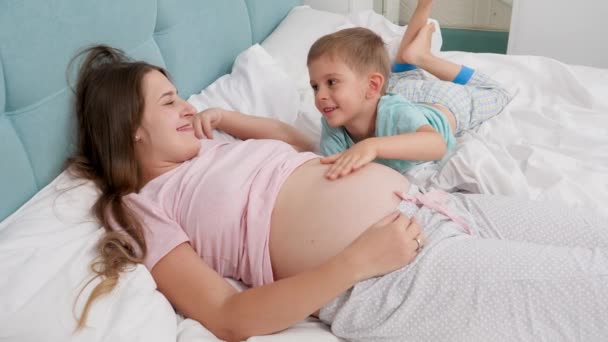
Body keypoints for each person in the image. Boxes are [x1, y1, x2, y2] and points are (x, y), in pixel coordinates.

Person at [69, 45, 608, 342]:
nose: (188, 107)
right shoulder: (139, 209)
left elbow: (299, 144)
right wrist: (356, 263)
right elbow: (229, 317)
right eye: (168, 102)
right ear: (129, 128)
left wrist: (230, 118)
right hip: (393, 275)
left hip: (438, 208)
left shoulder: (212, 145)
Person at [308, 0, 512, 180]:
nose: (320, 96)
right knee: (403, 70)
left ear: (372, 86)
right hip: (398, 91)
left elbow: (436, 144)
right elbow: (334, 171)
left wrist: (373, 145)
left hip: (442, 104)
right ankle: (423, 10)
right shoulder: (333, 123)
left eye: (332, 82)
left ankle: (423, 57)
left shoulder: (394, 112)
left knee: (498, 93)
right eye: (315, 86)